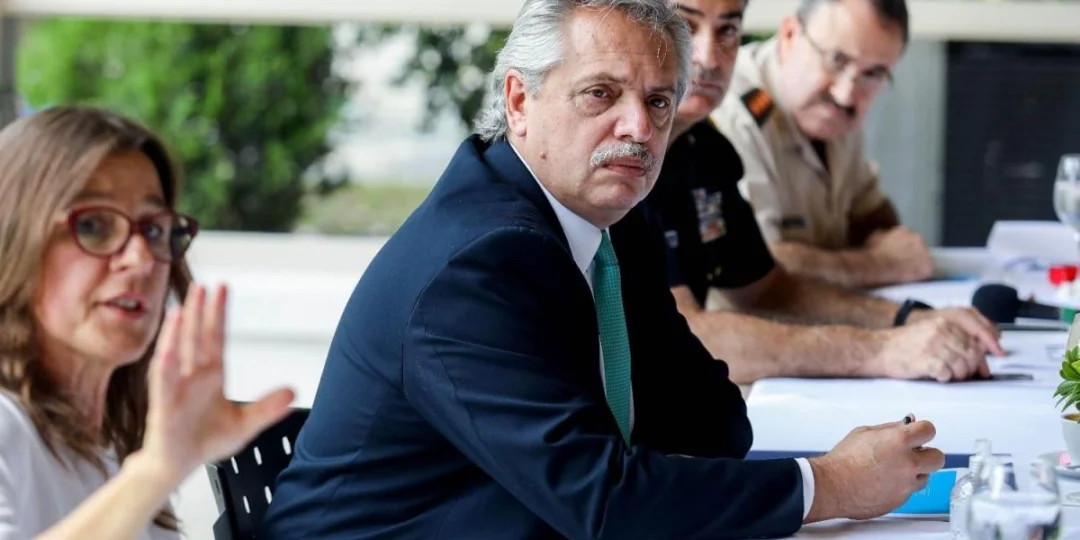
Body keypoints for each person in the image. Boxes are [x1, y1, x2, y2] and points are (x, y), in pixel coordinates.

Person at [259, 1, 944, 538]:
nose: (638, 129)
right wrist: (830, 485)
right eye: (600, 94)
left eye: (657, 101)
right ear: (519, 101)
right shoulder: (476, 265)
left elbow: (714, 424)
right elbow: (605, 502)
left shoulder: (608, 222)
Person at [645, 0, 1004, 384]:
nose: (708, 57)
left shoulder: (700, 145)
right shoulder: (633, 147)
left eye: (728, 30)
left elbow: (768, 288)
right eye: (685, 25)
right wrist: (880, 348)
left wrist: (908, 318)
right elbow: (677, 335)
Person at [0, 106, 294, 539]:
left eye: (154, 231)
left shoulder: (108, 447)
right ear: (13, 239)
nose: (140, 260)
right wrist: (158, 469)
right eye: (94, 226)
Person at [712, 0, 931, 289]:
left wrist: (890, 248)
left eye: (873, 73)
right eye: (836, 60)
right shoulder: (732, 113)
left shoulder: (832, 110)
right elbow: (754, 268)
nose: (845, 94)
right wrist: (882, 264)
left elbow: (872, 216)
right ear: (790, 36)